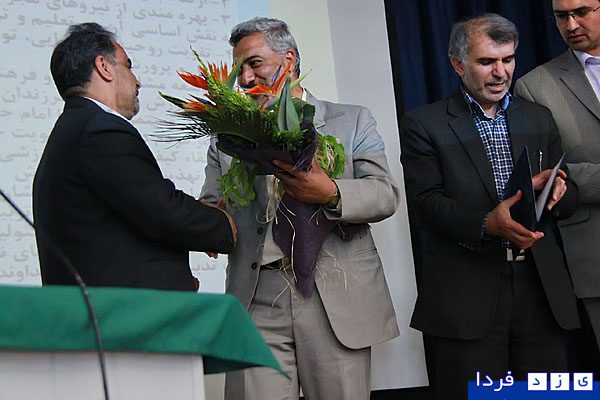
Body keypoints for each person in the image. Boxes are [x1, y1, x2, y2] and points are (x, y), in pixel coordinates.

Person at [200, 17, 400, 400]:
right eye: (239, 69)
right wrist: (211, 222)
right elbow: (212, 203)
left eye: (254, 63)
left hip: (335, 298)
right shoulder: (226, 138)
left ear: (288, 60)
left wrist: (330, 192)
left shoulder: (352, 120)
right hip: (256, 297)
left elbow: (384, 193)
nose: (245, 79)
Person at [400, 14, 580, 399]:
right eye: (486, 62)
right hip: (467, 297)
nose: (501, 73)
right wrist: (487, 223)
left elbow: (567, 194)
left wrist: (561, 193)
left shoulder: (538, 117)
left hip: (541, 291)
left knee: (547, 395)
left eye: (508, 59)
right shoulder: (424, 124)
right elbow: (424, 205)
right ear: (457, 65)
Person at [33, 23, 236, 291]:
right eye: (128, 66)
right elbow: (161, 210)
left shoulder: (73, 129)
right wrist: (223, 224)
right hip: (119, 311)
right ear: (104, 67)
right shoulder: (99, 130)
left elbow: (128, 222)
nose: (137, 81)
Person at [515, 0, 600, 369]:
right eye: (561, 16)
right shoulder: (534, 86)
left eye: (582, 12)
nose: (571, 24)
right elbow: (547, 174)